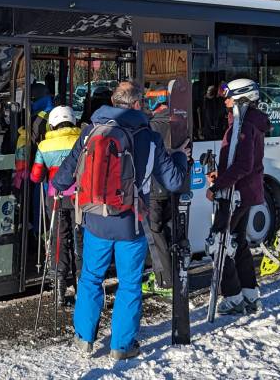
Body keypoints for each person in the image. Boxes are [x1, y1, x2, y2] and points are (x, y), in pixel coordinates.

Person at [53, 81, 189, 360]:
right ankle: (121, 345)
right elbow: (174, 181)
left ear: (115, 102)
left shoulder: (91, 131)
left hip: (95, 219)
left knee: (90, 277)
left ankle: (84, 339)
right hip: (131, 223)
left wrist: (56, 187)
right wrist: (181, 158)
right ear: (137, 104)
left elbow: (64, 174)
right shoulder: (148, 137)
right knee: (129, 283)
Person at [206, 78, 270, 315]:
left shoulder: (243, 126)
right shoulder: (248, 122)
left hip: (235, 195)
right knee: (238, 243)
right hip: (245, 192)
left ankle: (233, 297)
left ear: (242, 98)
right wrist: (221, 174)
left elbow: (243, 164)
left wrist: (218, 186)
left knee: (218, 244)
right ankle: (250, 295)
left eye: (229, 95)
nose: (225, 100)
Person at [30, 106, 82, 304]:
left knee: (59, 239)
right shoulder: (83, 140)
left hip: (56, 198)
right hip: (80, 198)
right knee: (79, 240)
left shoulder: (44, 146)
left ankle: (59, 289)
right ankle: (81, 286)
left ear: (52, 124)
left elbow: (36, 176)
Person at [141, 87, 175, 299]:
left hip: (154, 187)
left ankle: (165, 281)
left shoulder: (153, 126)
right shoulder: (177, 121)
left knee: (155, 234)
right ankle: (169, 274)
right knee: (168, 231)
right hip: (171, 186)